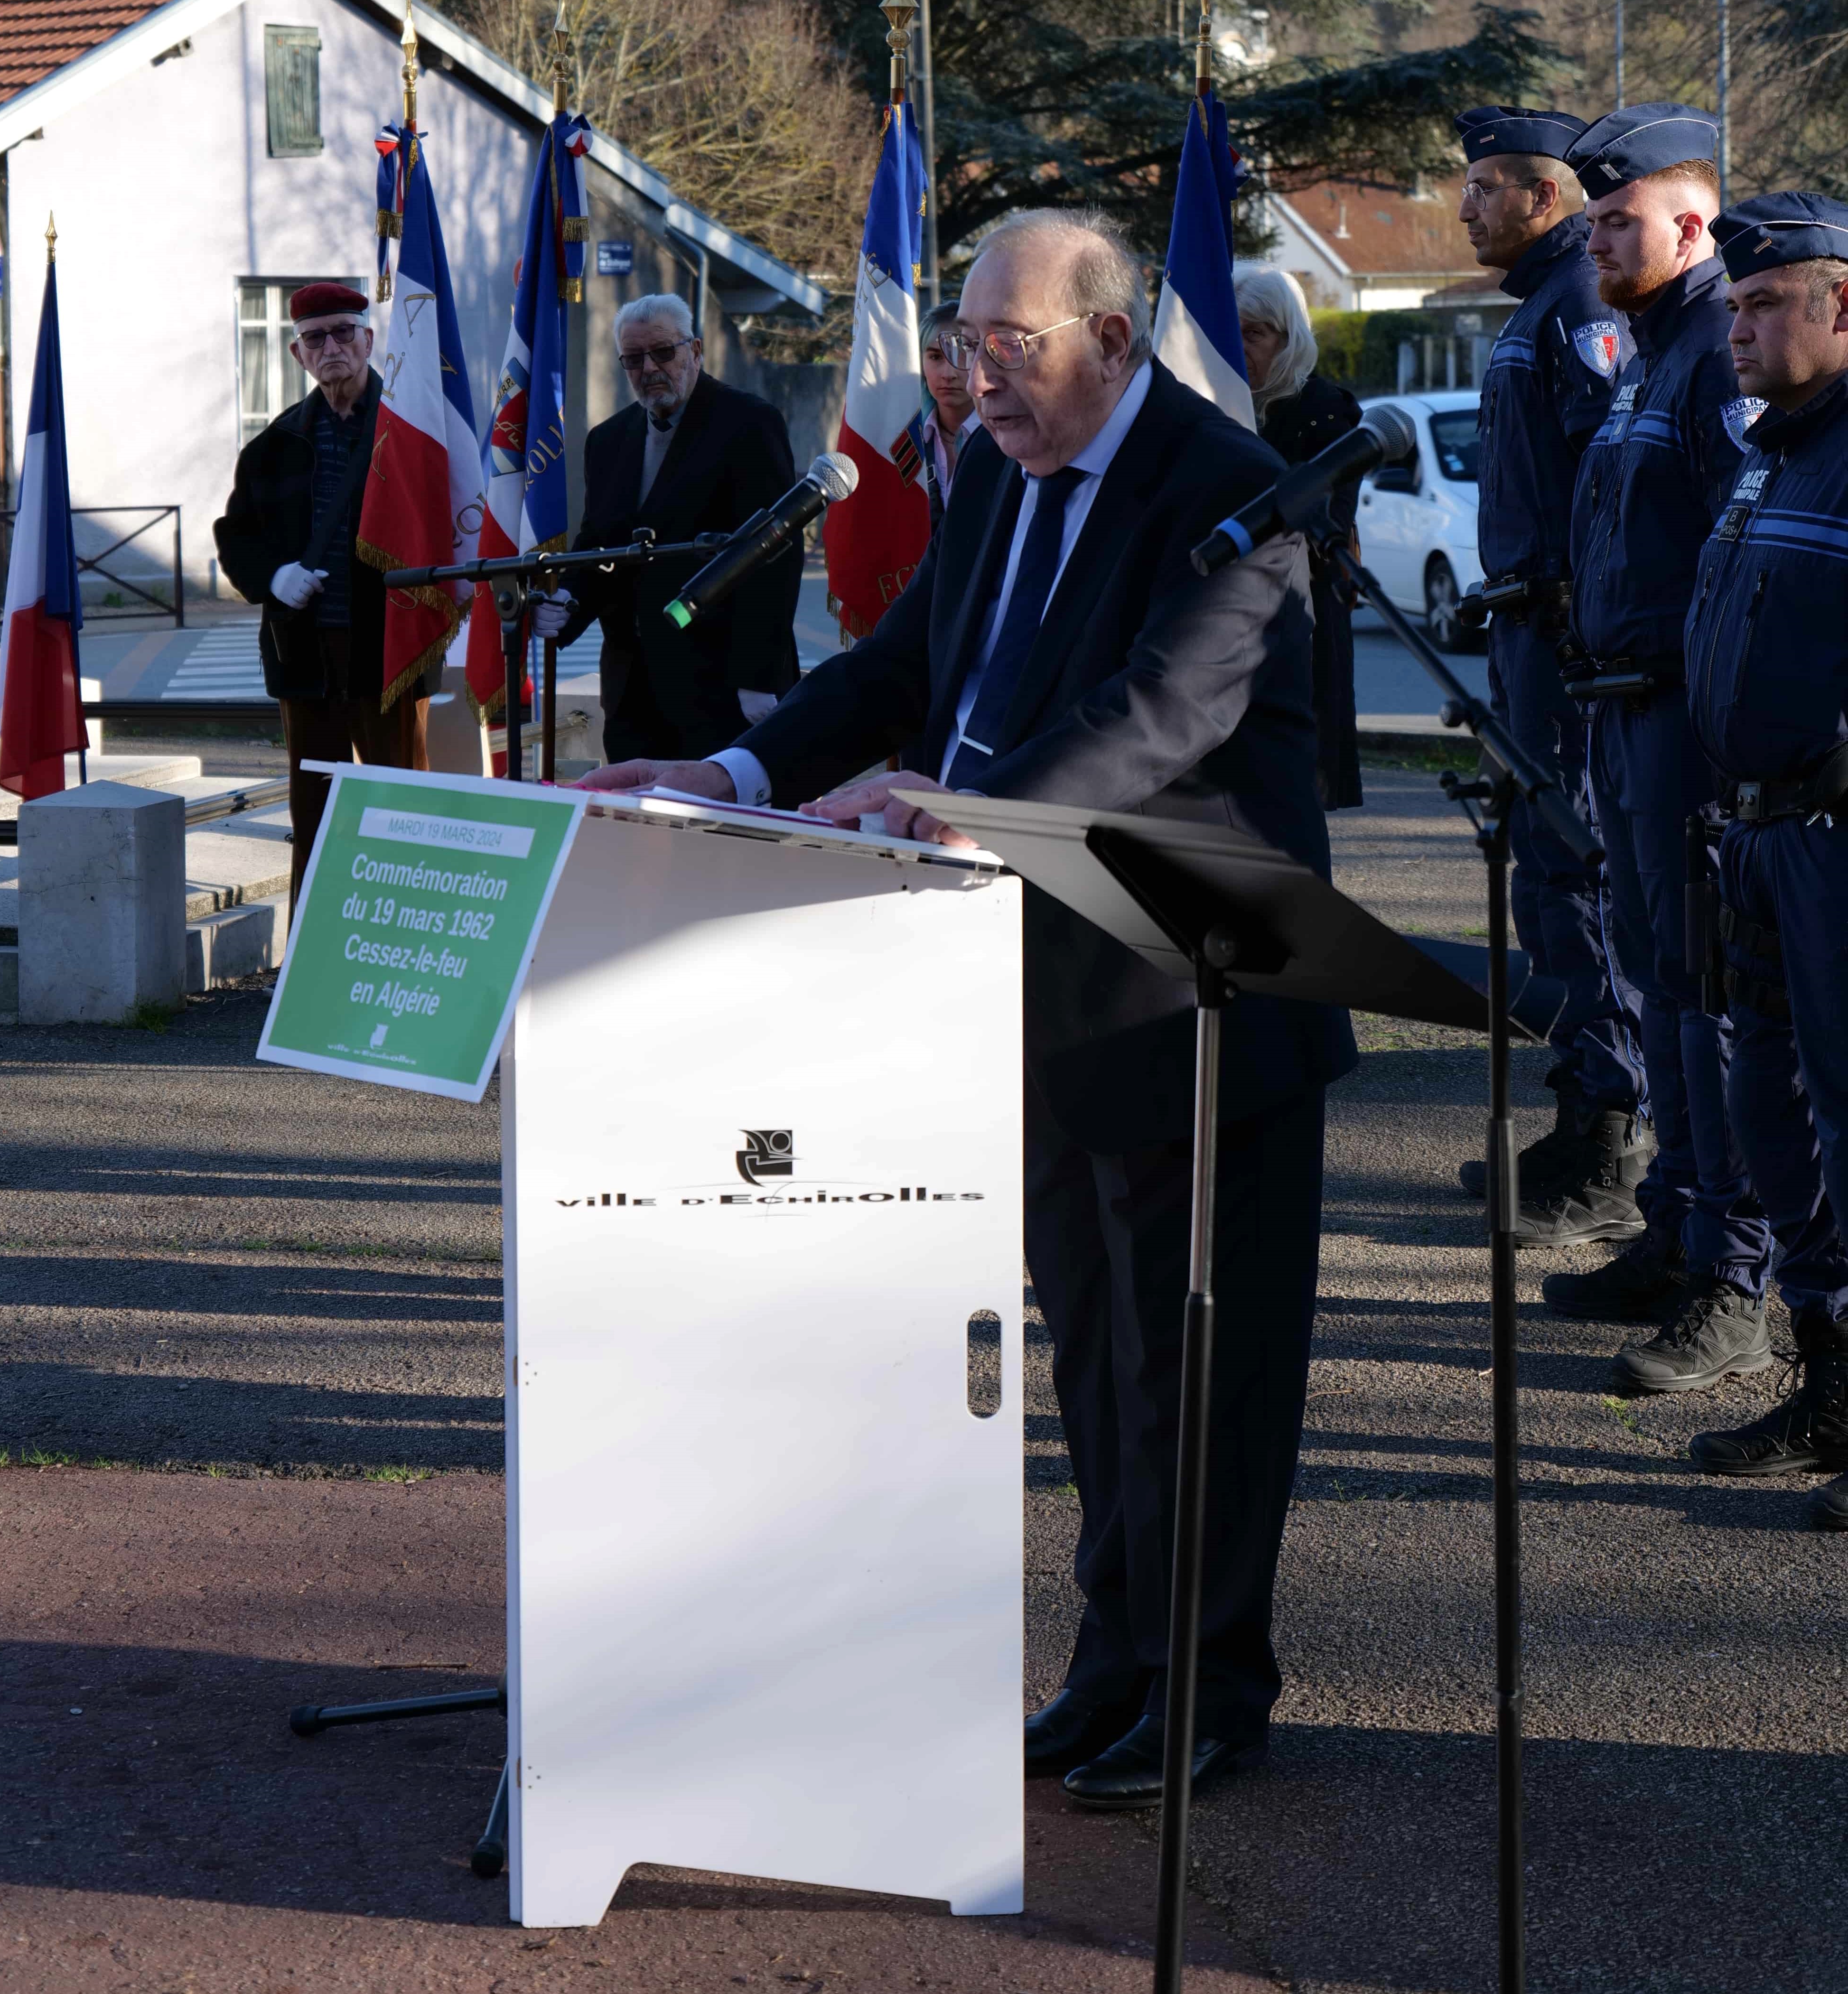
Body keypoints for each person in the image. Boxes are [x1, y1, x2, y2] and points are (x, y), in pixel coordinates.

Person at [577, 207, 1357, 1806]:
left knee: (1203, 1359)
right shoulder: (995, 471)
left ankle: (1213, 1687)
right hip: (1033, 980)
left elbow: (1159, 715)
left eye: (1011, 349)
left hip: (1192, 989)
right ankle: (1117, 1656)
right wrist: (729, 768)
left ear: (1112, 342)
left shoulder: (1230, 492)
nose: (974, 380)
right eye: (964, 346)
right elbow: (903, 666)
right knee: (1092, 1345)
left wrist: (975, 808)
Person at [1546, 103, 1772, 1393]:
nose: (1597, 238)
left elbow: (1730, 561)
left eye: (1619, 220)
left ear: (1693, 222)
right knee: (1663, 987)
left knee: (1710, 1010)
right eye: (1592, 219)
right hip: (1624, 720)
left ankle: (1737, 1277)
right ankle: (1679, 1234)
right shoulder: (1647, 354)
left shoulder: (1716, 358)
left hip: (1685, 730)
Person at [1447, 106, 1649, 1251]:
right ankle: (1583, 1116)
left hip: (1568, 647)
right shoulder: (1542, 304)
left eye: (1486, 188)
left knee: (1579, 876)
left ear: (1546, 198)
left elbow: (1609, 475)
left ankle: (1610, 1138)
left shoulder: (1578, 305)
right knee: (1548, 880)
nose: (1466, 207)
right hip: (1531, 639)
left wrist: (1578, 616)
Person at [1678, 193, 1848, 1525]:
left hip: (1835, 842)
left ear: (1841, 305)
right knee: (1767, 1112)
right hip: (1752, 835)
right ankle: (1830, 1370)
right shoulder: (1770, 452)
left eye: (1765, 302)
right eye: (1732, 305)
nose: (1736, 326)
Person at [213, 280, 424, 899]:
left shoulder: (413, 433)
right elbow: (237, 538)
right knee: (316, 813)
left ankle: (409, 941)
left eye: (342, 332)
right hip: (305, 654)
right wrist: (275, 575)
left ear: (368, 338)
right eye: (315, 337)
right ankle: (310, 958)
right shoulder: (271, 448)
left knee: (401, 803)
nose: (330, 346)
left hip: (389, 648)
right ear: (296, 352)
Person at [541, 293, 800, 762]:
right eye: (634, 358)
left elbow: (774, 556)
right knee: (636, 827)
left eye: (663, 352)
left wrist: (757, 678)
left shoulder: (748, 424)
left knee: (720, 829)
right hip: (632, 689)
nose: (650, 368)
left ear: (695, 351)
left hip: (722, 687)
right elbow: (599, 544)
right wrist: (567, 602)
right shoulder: (607, 440)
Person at [1233, 266, 1362, 811]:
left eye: (1253, 334)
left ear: (1289, 339)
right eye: (1228, 331)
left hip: (1299, 620)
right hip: (1225, 623)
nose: (1237, 348)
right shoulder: (1214, 405)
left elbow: (1317, 521)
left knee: (1294, 796)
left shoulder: (1327, 411)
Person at [915, 297, 978, 532]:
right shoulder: (908, 437)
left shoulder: (1008, 437)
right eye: (935, 357)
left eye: (962, 353)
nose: (948, 373)